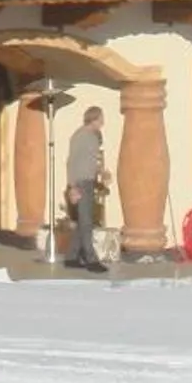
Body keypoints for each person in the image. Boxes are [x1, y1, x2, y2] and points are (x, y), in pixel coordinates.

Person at [64, 106, 108, 274]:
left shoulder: (94, 137)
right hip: (80, 183)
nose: (103, 122)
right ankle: (91, 259)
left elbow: (92, 161)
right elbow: (71, 162)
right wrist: (72, 187)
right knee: (87, 222)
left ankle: (71, 257)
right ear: (94, 118)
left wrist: (101, 172)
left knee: (84, 221)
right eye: (101, 118)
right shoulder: (80, 136)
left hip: (89, 182)